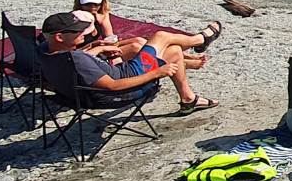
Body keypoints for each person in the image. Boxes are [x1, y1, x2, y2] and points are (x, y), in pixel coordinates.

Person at [38, 11, 220, 114]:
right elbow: (112, 86)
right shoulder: (76, 59)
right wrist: (157, 73)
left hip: (83, 94)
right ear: (60, 37)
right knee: (161, 36)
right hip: (128, 82)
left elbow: (82, 66)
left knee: (172, 51)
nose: (84, 33)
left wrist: (97, 49)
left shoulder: (44, 51)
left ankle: (188, 99)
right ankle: (200, 40)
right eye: (77, 31)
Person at [75, 0, 223, 53]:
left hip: (102, 50)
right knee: (143, 42)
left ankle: (196, 44)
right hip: (96, 54)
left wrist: (102, 20)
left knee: (141, 40)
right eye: (88, 4)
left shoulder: (102, 13)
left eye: (96, 4)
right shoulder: (77, 18)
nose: (93, 8)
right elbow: (90, 47)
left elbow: (110, 37)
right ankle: (199, 40)